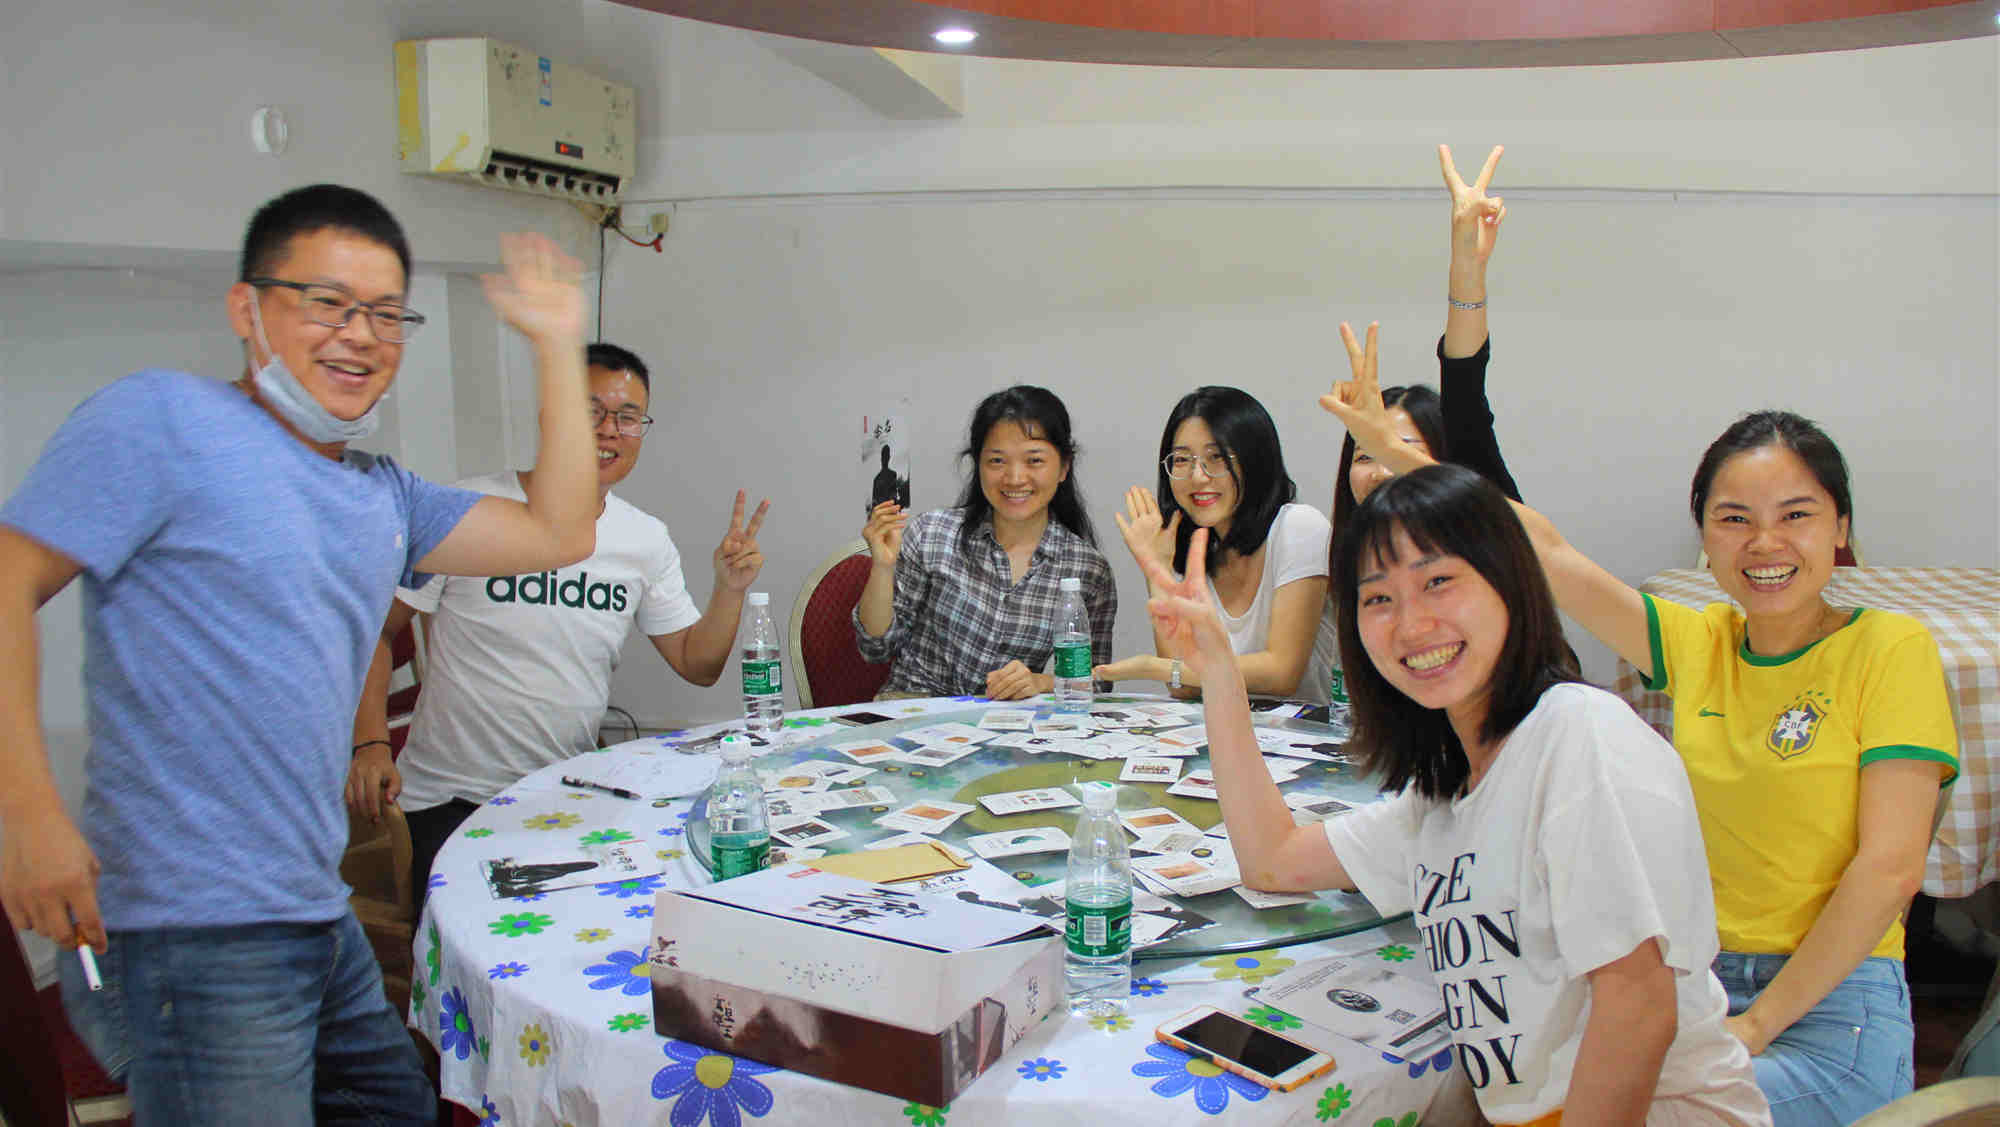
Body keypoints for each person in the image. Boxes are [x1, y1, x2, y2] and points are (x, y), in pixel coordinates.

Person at [0, 185, 602, 1123]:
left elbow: (561, 530)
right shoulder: (161, 419)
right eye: (327, 303)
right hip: (188, 925)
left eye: (386, 314)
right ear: (248, 308)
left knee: (399, 1108)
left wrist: (558, 345)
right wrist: (28, 817)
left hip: (312, 909)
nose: (360, 335)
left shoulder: (382, 494)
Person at [1324, 334, 1956, 1124]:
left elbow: (1890, 870)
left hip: (1834, 1010)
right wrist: (1397, 457)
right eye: (1734, 519)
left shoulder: (1890, 647)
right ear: (1706, 539)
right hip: (1708, 987)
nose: (1764, 543)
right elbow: (1542, 549)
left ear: (1841, 527)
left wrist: (1759, 1023)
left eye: (1795, 515)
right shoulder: (1697, 641)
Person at [1131, 471, 1772, 1125]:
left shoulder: (1578, 733)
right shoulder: (1444, 794)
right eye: (1378, 598)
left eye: (1438, 581)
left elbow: (1637, 1004)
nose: (1411, 624)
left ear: (1509, 580)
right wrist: (1219, 670)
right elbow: (1274, 859)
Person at [344, 342, 770, 902]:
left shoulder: (644, 539)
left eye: (628, 417)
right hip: (452, 800)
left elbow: (698, 664)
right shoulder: (469, 508)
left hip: (567, 794)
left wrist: (729, 590)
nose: (610, 430)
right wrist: (370, 744)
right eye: (591, 411)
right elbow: (376, 630)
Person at [855, 385, 1115, 700]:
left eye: (1034, 461)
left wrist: (1041, 682)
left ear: (1063, 467)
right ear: (978, 464)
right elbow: (875, 649)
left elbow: (1099, 682)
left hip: (1007, 722)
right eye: (997, 461)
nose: (1015, 478)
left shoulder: (1088, 570)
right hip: (915, 710)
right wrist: (882, 568)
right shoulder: (932, 534)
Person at [1093, 387, 1335, 702]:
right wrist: (1157, 569)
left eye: (1216, 457)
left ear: (1255, 460)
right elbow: (1182, 685)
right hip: (1224, 726)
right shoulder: (1191, 547)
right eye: (1182, 459)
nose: (1198, 476)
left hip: (1306, 730)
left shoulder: (1299, 528)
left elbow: (1282, 672)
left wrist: (1155, 668)